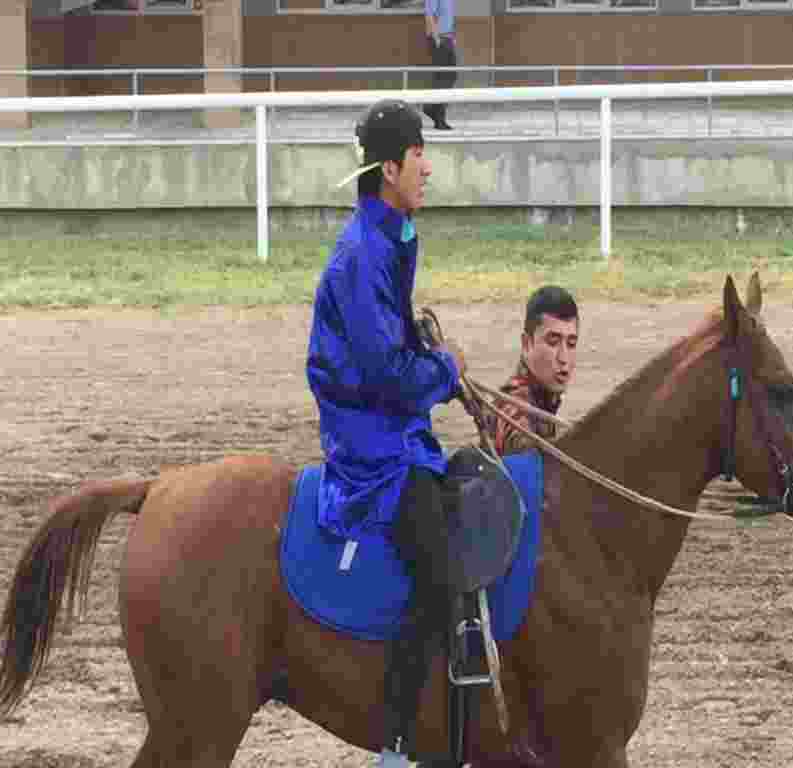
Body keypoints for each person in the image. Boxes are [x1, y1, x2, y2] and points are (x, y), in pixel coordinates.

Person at [306, 98, 467, 768]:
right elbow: (388, 373)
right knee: (438, 565)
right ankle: (397, 745)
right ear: (392, 168)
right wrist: (446, 368)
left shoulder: (390, 238)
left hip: (393, 429)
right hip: (370, 447)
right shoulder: (362, 256)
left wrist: (435, 365)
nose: (429, 168)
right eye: (420, 154)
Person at [485, 285, 579, 456]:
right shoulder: (514, 409)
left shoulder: (542, 399)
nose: (564, 358)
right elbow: (527, 453)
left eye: (571, 344)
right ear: (527, 344)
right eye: (553, 342)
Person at [423, 0, 456, 130]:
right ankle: (438, 116)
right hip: (439, 39)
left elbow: (447, 17)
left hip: (447, 38)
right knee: (443, 77)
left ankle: (433, 109)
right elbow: (429, 15)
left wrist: (452, 38)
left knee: (450, 76)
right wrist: (436, 38)